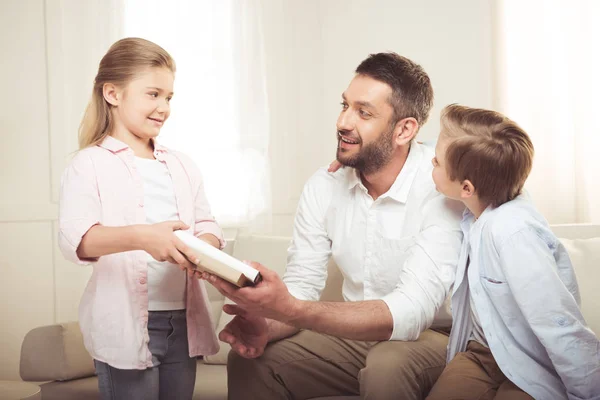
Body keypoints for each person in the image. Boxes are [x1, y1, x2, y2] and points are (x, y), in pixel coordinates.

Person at [203, 52, 464, 400]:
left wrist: (292, 309)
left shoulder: (440, 187)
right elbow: (302, 287)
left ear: (404, 130)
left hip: (435, 339)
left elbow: (412, 311)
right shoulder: (323, 186)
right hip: (356, 340)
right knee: (251, 360)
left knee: (388, 363)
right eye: (345, 105)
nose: (343, 121)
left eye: (364, 112)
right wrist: (267, 321)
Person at [58, 37, 224, 400]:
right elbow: (79, 240)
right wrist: (145, 237)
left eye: (169, 97)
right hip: (125, 323)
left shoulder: (182, 164)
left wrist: (204, 249)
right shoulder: (89, 164)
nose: (164, 107)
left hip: (183, 323)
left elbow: (207, 225)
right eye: (153, 94)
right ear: (113, 94)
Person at [426, 104, 600, 400]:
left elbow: (558, 321)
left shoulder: (513, 233)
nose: (430, 160)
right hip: (481, 354)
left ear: (466, 188)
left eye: (436, 161)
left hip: (530, 363)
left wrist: (587, 394)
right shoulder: (483, 198)